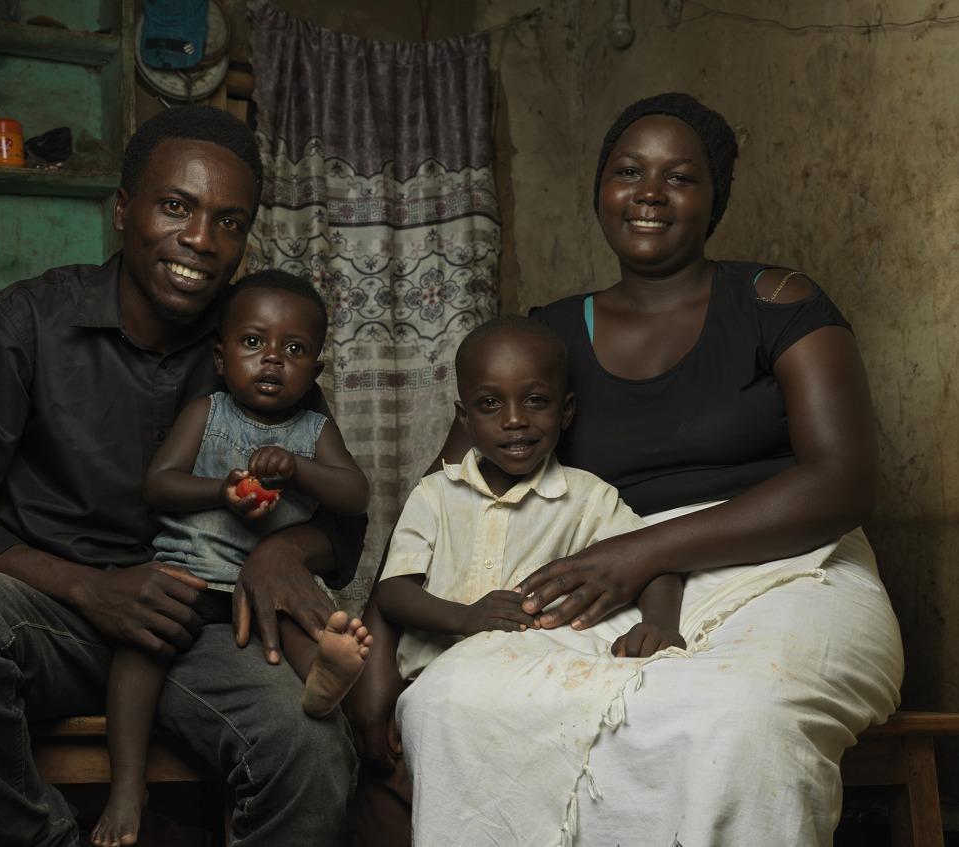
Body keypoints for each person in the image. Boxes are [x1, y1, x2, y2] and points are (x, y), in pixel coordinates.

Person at [346, 92, 903, 847]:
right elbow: (446, 491)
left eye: (679, 176)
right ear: (599, 188)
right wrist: (377, 651)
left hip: (792, 569)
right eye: (628, 171)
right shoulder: (544, 336)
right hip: (605, 588)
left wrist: (645, 550)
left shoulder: (779, 302)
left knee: (743, 719)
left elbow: (844, 480)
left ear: (716, 199)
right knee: (451, 699)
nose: (648, 193)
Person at [0, 105, 364, 847]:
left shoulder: (260, 344)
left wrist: (281, 550)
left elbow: (342, 527)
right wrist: (86, 587)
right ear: (122, 209)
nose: (201, 241)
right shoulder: (29, 321)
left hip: (212, 628)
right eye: (177, 206)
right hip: (56, 616)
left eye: (229, 222)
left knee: (313, 747)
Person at [92, 270, 373, 846]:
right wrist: (221, 489)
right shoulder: (207, 413)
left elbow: (355, 493)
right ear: (221, 359)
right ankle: (127, 786)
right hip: (187, 579)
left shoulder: (315, 431)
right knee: (140, 650)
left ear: (315, 371)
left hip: (268, 591)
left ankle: (326, 677)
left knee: (303, 627)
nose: (272, 360)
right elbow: (160, 484)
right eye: (253, 343)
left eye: (294, 350)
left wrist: (299, 469)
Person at [374, 316, 685, 684]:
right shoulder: (434, 494)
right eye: (490, 403)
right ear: (466, 419)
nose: (515, 419)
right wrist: (464, 617)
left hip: (535, 684)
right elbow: (393, 590)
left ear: (565, 411)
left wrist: (658, 625)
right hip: (431, 685)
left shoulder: (588, 498)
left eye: (535, 401)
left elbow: (652, 564)